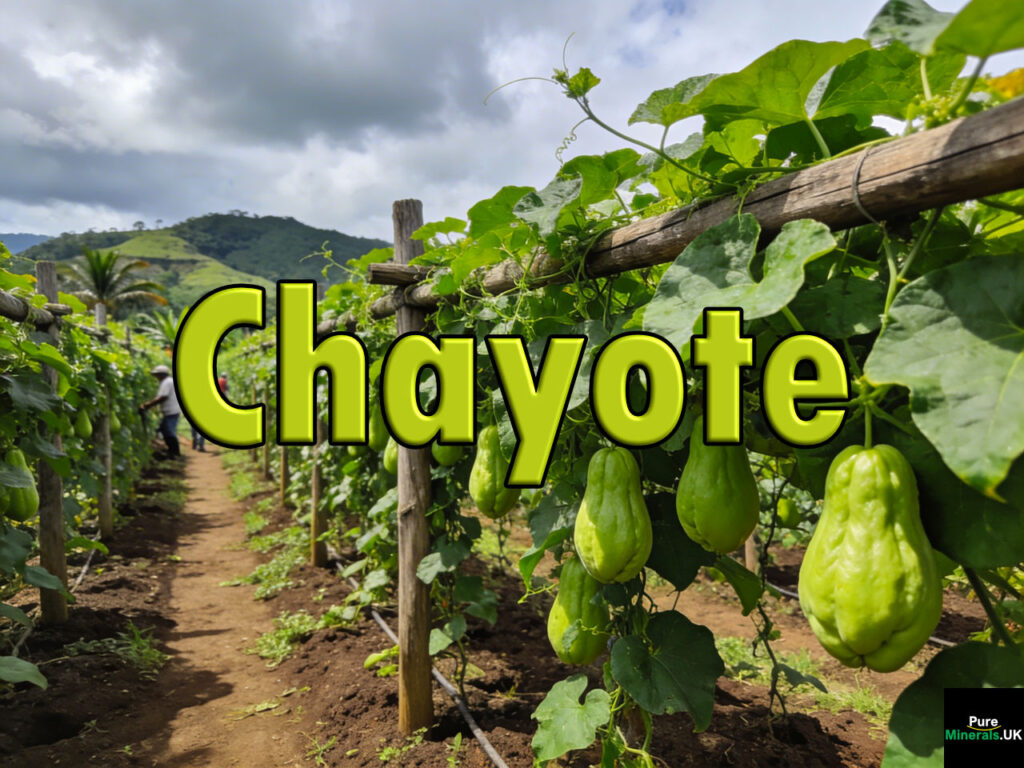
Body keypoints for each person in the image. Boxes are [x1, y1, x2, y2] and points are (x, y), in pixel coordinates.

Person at [139, 364, 181, 458]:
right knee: (164, 430)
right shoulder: (169, 381)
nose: (156, 377)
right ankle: (171, 451)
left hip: (171, 411)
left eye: (157, 375)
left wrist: (147, 405)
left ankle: (175, 452)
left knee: (169, 432)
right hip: (171, 411)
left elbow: (163, 397)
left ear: (161, 375)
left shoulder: (166, 382)